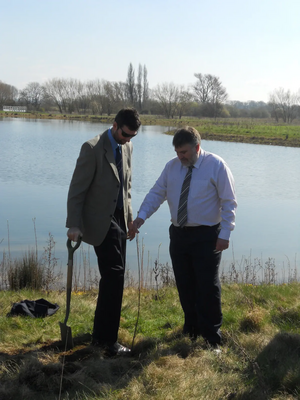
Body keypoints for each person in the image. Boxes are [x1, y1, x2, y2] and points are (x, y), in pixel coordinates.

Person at [134, 126, 237, 347]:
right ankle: (191, 329)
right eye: (177, 152)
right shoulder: (171, 168)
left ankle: (212, 338)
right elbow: (156, 193)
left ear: (197, 147)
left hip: (207, 235)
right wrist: (140, 218)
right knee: (185, 284)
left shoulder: (217, 166)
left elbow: (229, 202)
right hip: (179, 235)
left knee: (207, 286)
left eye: (184, 153)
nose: (180, 157)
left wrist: (225, 234)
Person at [66, 108, 141, 356]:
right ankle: (107, 341)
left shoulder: (128, 147)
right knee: (115, 276)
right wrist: (74, 224)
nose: (127, 140)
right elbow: (77, 190)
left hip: (120, 219)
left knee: (114, 279)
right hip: (100, 222)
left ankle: (101, 335)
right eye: (125, 134)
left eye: (132, 136)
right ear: (115, 125)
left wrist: (130, 219)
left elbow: (127, 186)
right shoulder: (92, 148)